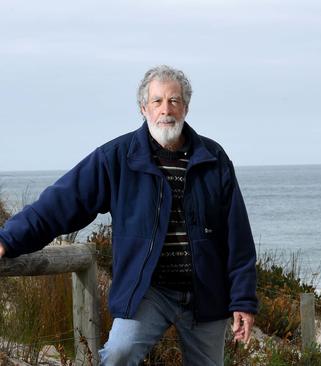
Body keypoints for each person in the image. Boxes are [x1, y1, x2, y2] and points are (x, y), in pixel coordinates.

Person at [0, 65, 258, 365]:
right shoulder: (117, 158)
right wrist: (8, 239)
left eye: (174, 101)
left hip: (205, 293)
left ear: (185, 107)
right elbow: (61, 203)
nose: (166, 110)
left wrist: (243, 300)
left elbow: (237, 235)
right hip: (148, 291)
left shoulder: (214, 159)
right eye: (157, 101)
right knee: (118, 355)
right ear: (143, 108)